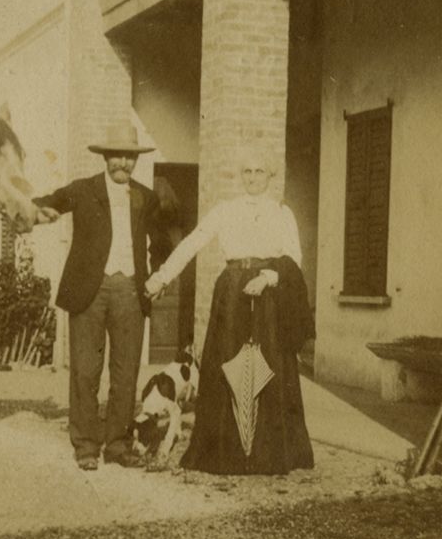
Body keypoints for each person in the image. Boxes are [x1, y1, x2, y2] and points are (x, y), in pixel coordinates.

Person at [144, 151, 314, 475]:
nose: (252, 177)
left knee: (269, 368)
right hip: (232, 293)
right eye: (247, 171)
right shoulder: (226, 210)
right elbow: (192, 242)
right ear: (241, 175)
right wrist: (162, 277)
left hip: (268, 295)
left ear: (270, 176)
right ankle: (228, 452)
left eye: (259, 171)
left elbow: (294, 258)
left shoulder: (281, 213)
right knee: (227, 364)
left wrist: (268, 278)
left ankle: (265, 454)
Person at [35, 123, 171, 471]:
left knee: (126, 372)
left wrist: (158, 275)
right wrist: (33, 212)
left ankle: (117, 445)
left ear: (136, 160)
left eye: (130, 156)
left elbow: (161, 242)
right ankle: (85, 445)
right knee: (85, 369)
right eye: (117, 156)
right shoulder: (83, 190)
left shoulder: (146, 197)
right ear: (106, 157)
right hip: (89, 290)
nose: (123, 163)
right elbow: (47, 204)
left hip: (130, 290)